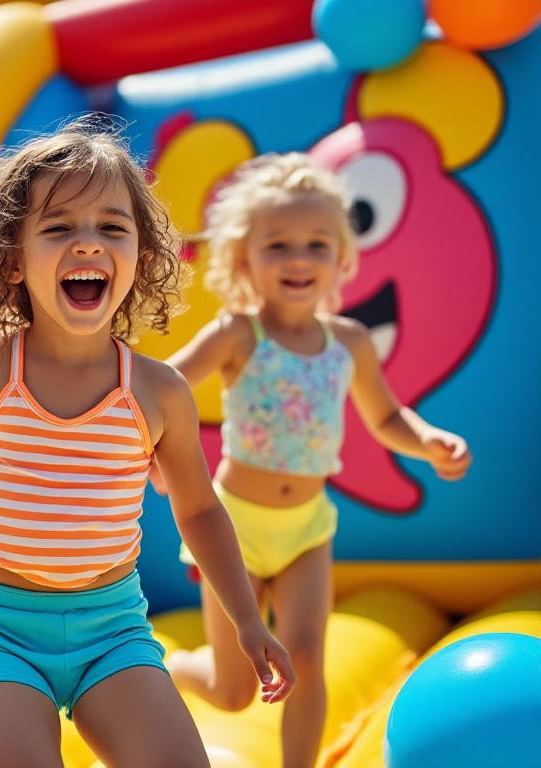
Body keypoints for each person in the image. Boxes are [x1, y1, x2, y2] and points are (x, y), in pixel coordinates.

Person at [0, 120, 293, 768]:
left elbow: (199, 509)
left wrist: (246, 622)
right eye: (59, 227)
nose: (87, 243)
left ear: (142, 257)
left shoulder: (156, 391)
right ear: (12, 257)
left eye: (112, 227)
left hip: (111, 631)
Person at [164, 153, 470, 767]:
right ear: (244, 258)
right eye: (278, 245)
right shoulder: (238, 334)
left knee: (306, 657)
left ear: (341, 257)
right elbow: (167, 386)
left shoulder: (349, 343)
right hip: (233, 528)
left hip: (308, 527)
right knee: (234, 690)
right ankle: (174, 667)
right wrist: (149, 446)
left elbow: (386, 418)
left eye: (316, 244)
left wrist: (428, 439)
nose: (299, 258)